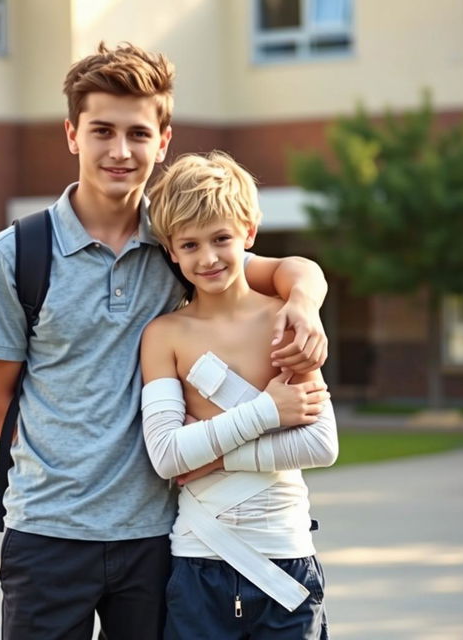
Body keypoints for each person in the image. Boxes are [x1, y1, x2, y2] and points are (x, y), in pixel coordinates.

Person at [0, 43, 330, 640]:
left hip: (158, 537)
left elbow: (288, 269)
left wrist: (306, 306)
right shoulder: (14, 256)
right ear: (72, 134)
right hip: (50, 533)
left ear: (162, 142)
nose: (120, 151)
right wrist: (72, 475)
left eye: (138, 133)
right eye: (102, 130)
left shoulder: (181, 246)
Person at [141, 151, 338, 639]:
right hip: (198, 560)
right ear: (171, 250)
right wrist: (268, 410)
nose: (207, 257)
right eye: (190, 244)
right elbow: (166, 456)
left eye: (221, 238)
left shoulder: (285, 320)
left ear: (249, 233)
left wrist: (207, 457)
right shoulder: (164, 335)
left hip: (285, 558)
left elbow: (320, 445)